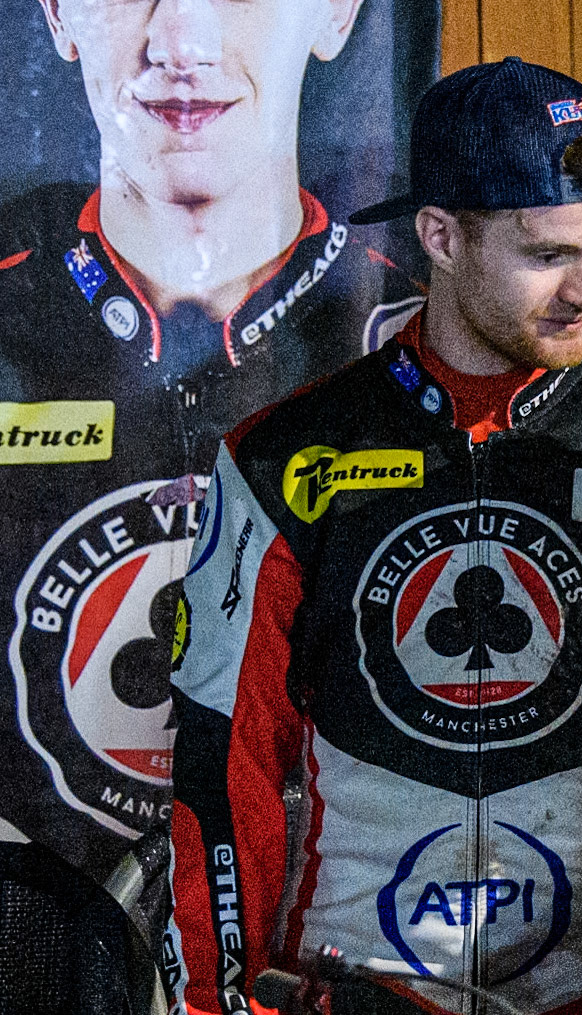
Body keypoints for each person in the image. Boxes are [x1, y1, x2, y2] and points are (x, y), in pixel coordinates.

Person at [166, 57, 582, 1015]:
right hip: (359, 989)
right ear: (440, 236)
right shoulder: (282, 461)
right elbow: (224, 764)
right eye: (549, 253)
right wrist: (213, 1004)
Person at [0, 0, 415, 894]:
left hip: (327, 920)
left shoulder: (428, 335)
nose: (180, 41)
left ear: (339, 12)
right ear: (56, 15)